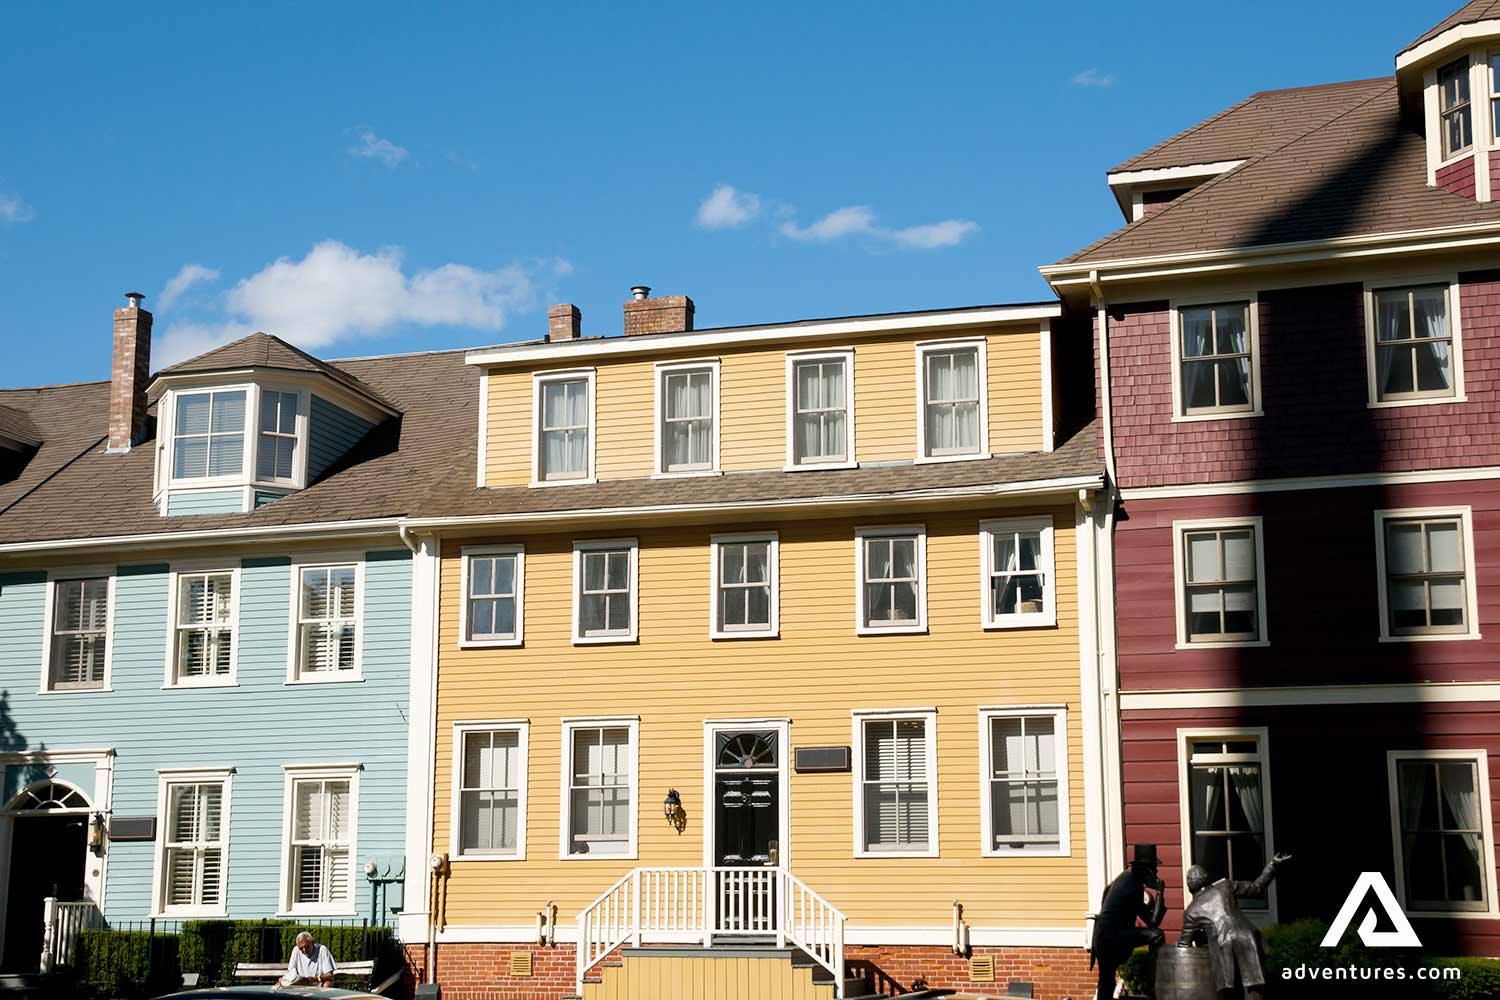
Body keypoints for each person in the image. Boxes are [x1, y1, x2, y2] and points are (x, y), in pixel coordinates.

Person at [1177, 853, 1292, 1000]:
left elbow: (1184, 945)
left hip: (1224, 949)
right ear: (1206, 879)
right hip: (1247, 938)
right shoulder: (1225, 886)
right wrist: (1272, 865)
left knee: (1230, 991)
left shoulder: (1191, 911)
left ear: (1188, 886)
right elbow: (1257, 887)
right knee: (1254, 984)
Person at [1090, 843, 1168, 1000]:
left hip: (1100, 936)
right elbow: (1153, 922)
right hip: (1111, 937)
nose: (1156, 873)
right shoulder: (1132, 886)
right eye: (1154, 869)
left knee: (1106, 984)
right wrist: (1159, 891)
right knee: (1156, 935)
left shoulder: (1123, 878)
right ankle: (1153, 984)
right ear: (1146, 870)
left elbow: (1106, 894)